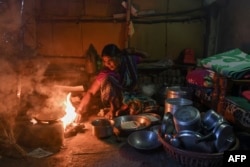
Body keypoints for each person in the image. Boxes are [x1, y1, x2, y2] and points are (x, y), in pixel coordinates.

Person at [75, 43, 148, 121]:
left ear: (118, 57)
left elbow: (146, 56)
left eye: (110, 60)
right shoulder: (106, 72)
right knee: (107, 80)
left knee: (151, 107)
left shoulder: (128, 60)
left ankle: (124, 108)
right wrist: (79, 110)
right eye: (105, 61)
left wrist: (133, 51)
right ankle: (113, 109)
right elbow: (91, 92)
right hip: (116, 100)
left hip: (132, 95)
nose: (107, 64)